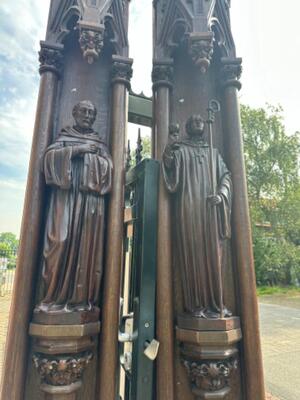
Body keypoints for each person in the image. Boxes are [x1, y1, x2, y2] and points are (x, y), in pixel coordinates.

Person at [36, 100, 113, 313]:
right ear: (74, 112)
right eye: (84, 111)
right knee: (59, 241)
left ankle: (80, 301)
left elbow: (110, 170)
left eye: (92, 112)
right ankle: (52, 300)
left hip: (90, 203)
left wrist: (96, 159)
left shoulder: (99, 143)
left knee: (86, 250)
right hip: (65, 199)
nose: (88, 115)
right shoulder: (63, 138)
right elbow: (48, 160)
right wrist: (78, 150)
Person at [162, 114, 232, 318]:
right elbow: (168, 167)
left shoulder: (213, 152)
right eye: (193, 121)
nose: (198, 123)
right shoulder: (181, 149)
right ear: (187, 127)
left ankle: (216, 304)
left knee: (214, 256)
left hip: (210, 211)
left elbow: (226, 176)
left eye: (200, 121)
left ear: (204, 126)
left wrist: (221, 195)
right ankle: (196, 305)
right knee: (192, 256)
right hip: (189, 209)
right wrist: (169, 148)